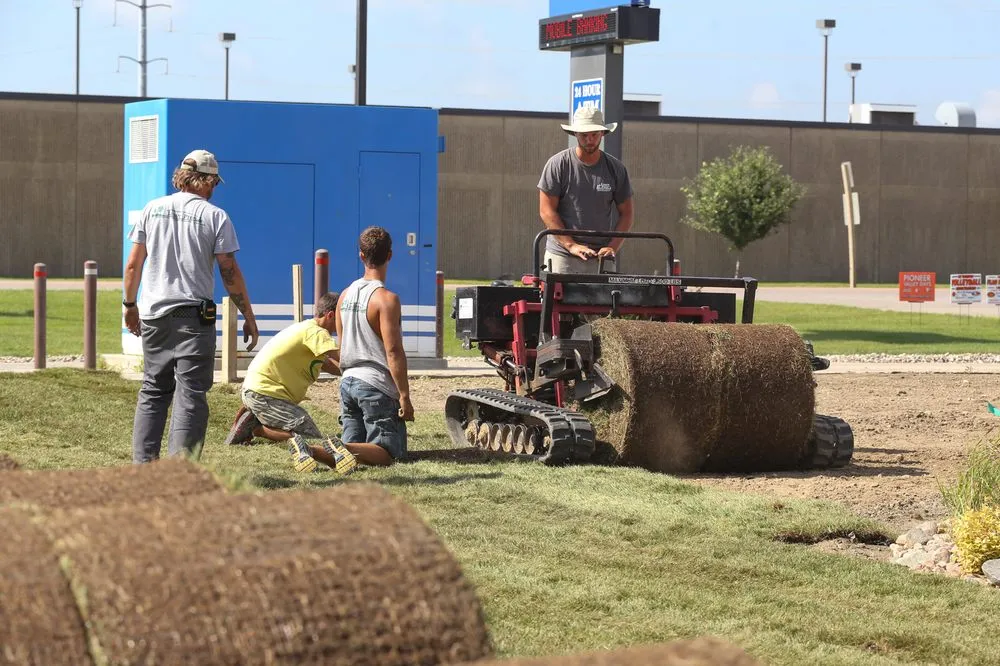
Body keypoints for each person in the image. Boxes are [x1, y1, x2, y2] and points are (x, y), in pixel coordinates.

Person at [124, 149, 259, 464]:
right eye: (214, 182)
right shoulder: (215, 216)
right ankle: (181, 468)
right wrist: (248, 315)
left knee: (153, 391)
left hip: (154, 316)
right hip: (193, 320)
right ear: (206, 180)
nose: (214, 189)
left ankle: (143, 466)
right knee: (190, 395)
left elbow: (133, 265)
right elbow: (228, 270)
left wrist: (130, 305)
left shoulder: (152, 209)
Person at [224, 291, 358, 475]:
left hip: (260, 391)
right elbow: (345, 357)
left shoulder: (307, 329)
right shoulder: (317, 333)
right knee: (308, 436)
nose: (342, 326)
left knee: (307, 432)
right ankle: (257, 428)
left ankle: (256, 417)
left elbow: (327, 364)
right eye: (342, 321)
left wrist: (350, 372)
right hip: (265, 393)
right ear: (330, 315)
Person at [333, 226, 414, 466]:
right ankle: (339, 446)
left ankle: (317, 450)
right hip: (375, 384)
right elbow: (393, 351)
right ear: (390, 255)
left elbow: (342, 342)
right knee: (390, 454)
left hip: (348, 381)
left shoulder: (344, 295)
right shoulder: (386, 299)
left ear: (361, 255)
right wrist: (404, 396)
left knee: (351, 459)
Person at [537, 106, 635, 274]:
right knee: (557, 301)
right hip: (562, 256)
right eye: (584, 135)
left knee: (606, 301)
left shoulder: (616, 169)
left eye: (594, 134)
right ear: (575, 134)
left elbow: (627, 213)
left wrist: (612, 247)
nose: (590, 140)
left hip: (601, 258)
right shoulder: (558, 164)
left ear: (603, 134)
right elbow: (546, 211)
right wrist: (571, 245)